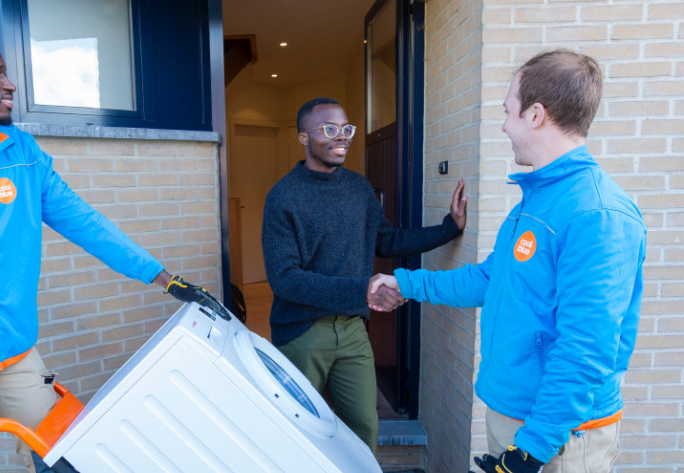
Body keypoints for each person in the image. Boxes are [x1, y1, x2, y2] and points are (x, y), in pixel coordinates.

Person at [0, 25, 225, 473]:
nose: (10, 84)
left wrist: (164, 278)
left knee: (62, 455)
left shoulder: (20, 153)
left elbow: (85, 223)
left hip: (14, 351)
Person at [370, 50, 646, 472]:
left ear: (536, 115)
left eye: (508, 111)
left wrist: (532, 450)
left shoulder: (597, 214)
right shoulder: (537, 200)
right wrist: (407, 285)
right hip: (518, 420)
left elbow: (586, 348)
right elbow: (491, 278)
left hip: (560, 438)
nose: (503, 124)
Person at [261, 97, 467, 453]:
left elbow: (387, 241)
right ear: (303, 138)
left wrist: (449, 228)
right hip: (302, 332)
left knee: (363, 428)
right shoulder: (283, 197)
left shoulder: (358, 188)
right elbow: (285, 279)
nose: (341, 137)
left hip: (354, 330)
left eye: (345, 128)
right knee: (293, 431)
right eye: (328, 129)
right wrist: (364, 290)